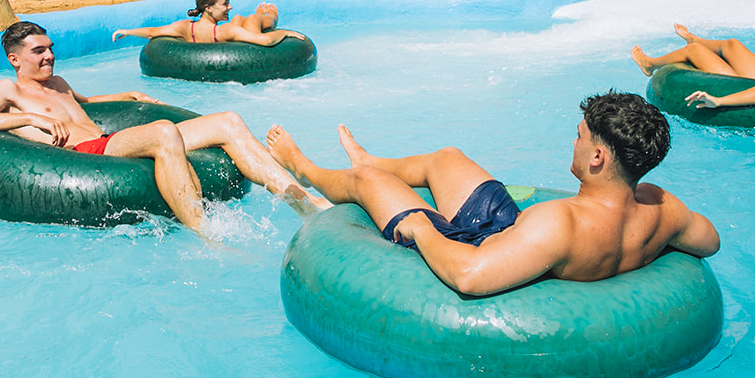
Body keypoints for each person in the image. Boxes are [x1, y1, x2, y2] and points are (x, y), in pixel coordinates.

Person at [264, 92, 719, 296]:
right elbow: (709, 241)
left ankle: (305, 167)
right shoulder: (662, 209)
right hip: (518, 236)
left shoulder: (561, 222)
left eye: (580, 136)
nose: (574, 142)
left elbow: (470, 277)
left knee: (368, 187)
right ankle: (371, 158)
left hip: (483, 249)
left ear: (598, 157)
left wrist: (421, 227)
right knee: (448, 158)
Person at [0, 20, 328, 232]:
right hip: (87, 156)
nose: (49, 55)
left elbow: (86, 105)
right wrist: (28, 118)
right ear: (15, 59)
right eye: (39, 51)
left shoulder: (58, 83)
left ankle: (301, 199)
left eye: (50, 47)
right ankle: (206, 233)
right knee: (164, 131)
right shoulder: (8, 90)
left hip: (108, 140)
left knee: (228, 121)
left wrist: (131, 94)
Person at [112, 0, 305, 46]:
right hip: (240, 33)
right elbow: (265, 41)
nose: (230, 7)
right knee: (251, 19)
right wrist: (285, 32)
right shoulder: (225, 32)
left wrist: (127, 31)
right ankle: (271, 17)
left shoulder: (185, 27)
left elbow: (152, 32)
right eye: (226, 3)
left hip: (204, 34)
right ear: (209, 8)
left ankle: (262, 16)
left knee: (238, 18)